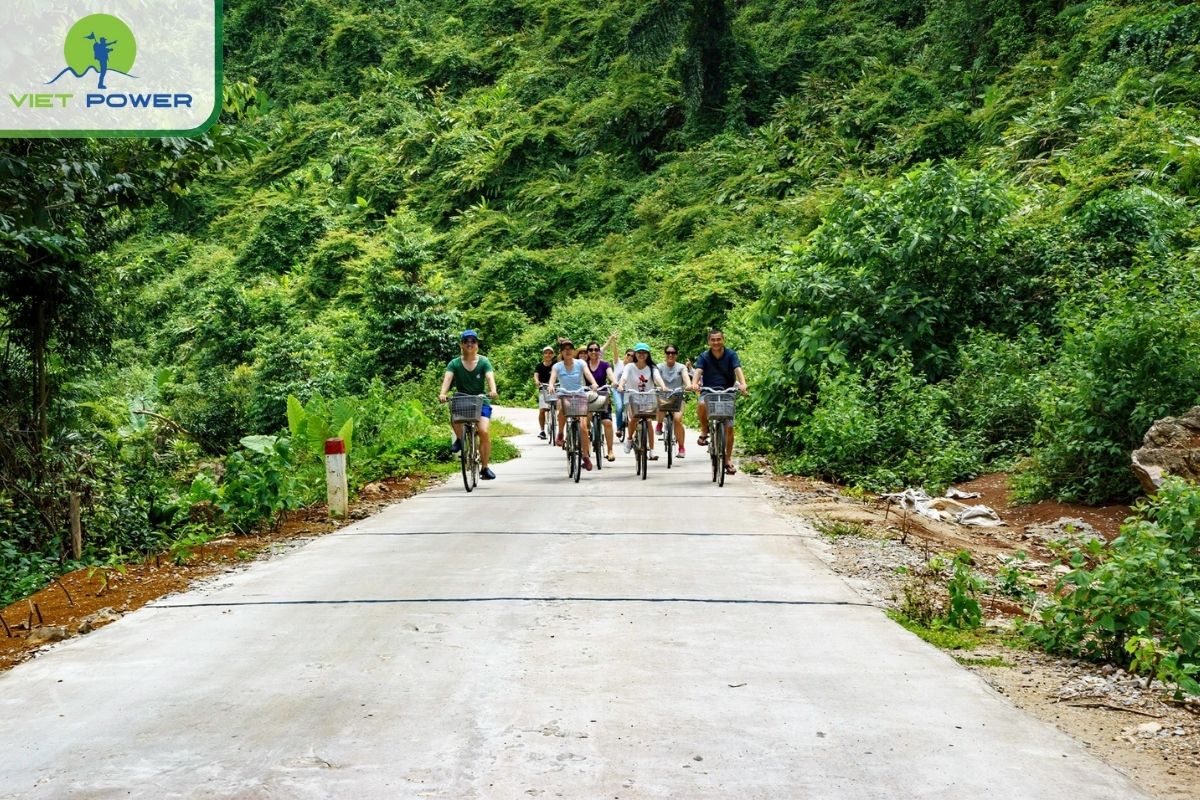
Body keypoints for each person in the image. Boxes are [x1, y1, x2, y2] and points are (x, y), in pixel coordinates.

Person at [438, 330, 499, 480]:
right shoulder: (454, 363)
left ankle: (484, 468)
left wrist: (493, 390)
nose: (470, 344)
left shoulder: (484, 361)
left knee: (483, 431)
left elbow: (490, 377)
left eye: (473, 341)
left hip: (480, 400)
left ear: (477, 344)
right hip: (462, 400)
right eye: (466, 341)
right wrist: (443, 393)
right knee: (454, 415)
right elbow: (447, 379)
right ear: (462, 344)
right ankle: (460, 439)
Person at [691, 329, 749, 475]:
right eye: (713, 340)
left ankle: (728, 459)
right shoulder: (704, 356)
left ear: (723, 340)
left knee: (729, 427)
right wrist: (694, 383)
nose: (716, 342)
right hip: (708, 390)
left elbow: (738, 369)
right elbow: (698, 371)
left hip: (727, 391)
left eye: (718, 339)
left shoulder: (731, 354)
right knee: (702, 404)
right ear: (709, 342)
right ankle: (704, 430)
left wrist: (743, 384)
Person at [548, 339, 600, 471]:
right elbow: (552, 379)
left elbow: (588, 375)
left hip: (579, 395)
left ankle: (586, 456)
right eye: (565, 349)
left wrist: (593, 383)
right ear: (561, 352)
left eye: (570, 348)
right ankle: (560, 433)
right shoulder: (557, 366)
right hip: (564, 394)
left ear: (573, 351)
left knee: (583, 428)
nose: (568, 351)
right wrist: (551, 386)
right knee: (560, 406)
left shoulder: (580, 363)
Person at [618, 342, 666, 459]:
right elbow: (624, 377)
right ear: (635, 354)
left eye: (644, 353)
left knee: (648, 421)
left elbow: (657, 377)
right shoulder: (629, 366)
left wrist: (663, 386)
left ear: (648, 355)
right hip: (632, 397)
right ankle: (629, 439)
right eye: (639, 352)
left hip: (648, 398)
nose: (642, 355)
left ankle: (652, 450)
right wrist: (620, 385)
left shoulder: (652, 368)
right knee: (634, 418)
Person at [582, 340, 617, 462]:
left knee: (607, 423)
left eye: (596, 350)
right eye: (591, 350)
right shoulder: (583, 365)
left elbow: (610, 375)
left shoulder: (604, 364)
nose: (593, 352)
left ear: (599, 352)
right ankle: (587, 445)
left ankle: (610, 450)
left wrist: (614, 382)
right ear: (587, 352)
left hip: (602, 396)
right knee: (585, 423)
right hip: (587, 397)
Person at [655, 344, 691, 459]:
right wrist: (661, 386)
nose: (670, 355)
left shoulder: (681, 367)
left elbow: (685, 377)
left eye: (673, 353)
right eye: (668, 353)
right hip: (663, 397)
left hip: (677, 398)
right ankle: (660, 423)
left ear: (676, 354)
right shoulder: (659, 367)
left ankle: (681, 447)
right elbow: (656, 377)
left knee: (677, 420)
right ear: (665, 354)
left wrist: (688, 385)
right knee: (661, 405)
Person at [609, 342, 635, 441]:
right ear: (625, 355)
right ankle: (619, 427)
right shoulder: (618, 363)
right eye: (628, 355)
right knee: (619, 407)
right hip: (617, 389)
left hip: (628, 390)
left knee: (631, 409)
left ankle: (633, 430)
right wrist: (614, 342)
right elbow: (615, 352)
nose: (630, 357)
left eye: (632, 356)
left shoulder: (633, 367)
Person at [533, 344, 556, 439]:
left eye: (550, 353)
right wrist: (537, 381)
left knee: (561, 408)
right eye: (546, 353)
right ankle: (542, 431)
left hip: (555, 389)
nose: (548, 355)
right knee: (542, 410)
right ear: (543, 355)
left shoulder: (555, 365)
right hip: (543, 389)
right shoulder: (539, 366)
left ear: (553, 355)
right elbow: (536, 375)